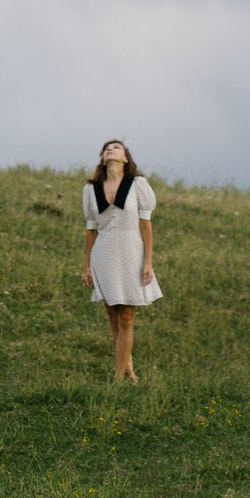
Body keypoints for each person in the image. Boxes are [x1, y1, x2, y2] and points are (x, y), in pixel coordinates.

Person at [80, 138, 159, 382]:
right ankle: (129, 372)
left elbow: (146, 226)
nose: (109, 150)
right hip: (103, 254)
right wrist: (86, 266)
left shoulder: (137, 185)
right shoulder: (91, 189)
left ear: (125, 158)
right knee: (113, 318)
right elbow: (91, 229)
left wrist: (148, 262)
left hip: (132, 252)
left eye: (116, 147)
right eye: (106, 148)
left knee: (126, 317)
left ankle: (118, 377)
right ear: (103, 158)